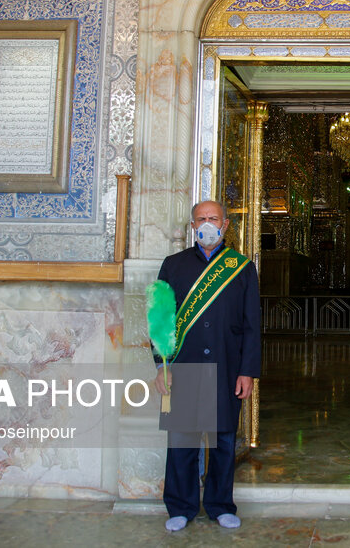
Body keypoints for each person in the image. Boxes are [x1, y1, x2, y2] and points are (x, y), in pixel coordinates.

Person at [151, 200, 261, 532]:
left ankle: (219, 505)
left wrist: (248, 370)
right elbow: (160, 318)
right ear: (192, 226)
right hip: (183, 366)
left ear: (225, 225)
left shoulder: (242, 268)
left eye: (213, 218)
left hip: (227, 367)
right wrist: (161, 364)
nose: (207, 224)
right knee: (182, 440)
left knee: (223, 441)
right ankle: (181, 507)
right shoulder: (173, 265)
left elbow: (252, 324)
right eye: (201, 219)